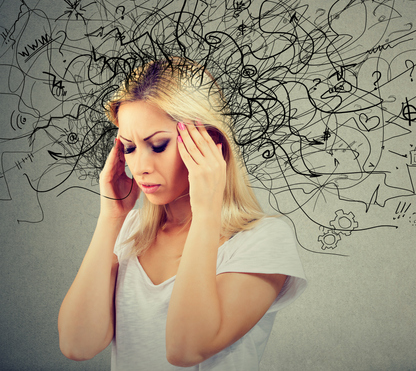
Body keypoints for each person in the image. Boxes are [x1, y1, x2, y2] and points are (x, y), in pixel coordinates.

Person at [57, 58, 307, 370]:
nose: (140, 167)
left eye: (158, 145)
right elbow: (77, 344)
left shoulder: (262, 239)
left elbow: (186, 349)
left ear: (210, 142)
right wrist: (111, 217)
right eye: (129, 148)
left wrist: (206, 214)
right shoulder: (130, 231)